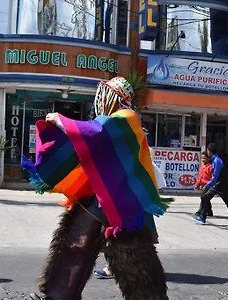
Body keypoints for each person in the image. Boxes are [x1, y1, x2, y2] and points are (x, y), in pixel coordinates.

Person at [26, 76, 172, 300]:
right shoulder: (115, 120)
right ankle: (57, 296)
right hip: (97, 199)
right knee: (74, 246)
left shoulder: (128, 117)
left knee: (134, 264)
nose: (99, 102)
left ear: (113, 97)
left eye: (102, 96)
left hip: (121, 206)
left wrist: (61, 120)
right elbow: (89, 144)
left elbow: (97, 132)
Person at [94, 146, 166, 279]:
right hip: (122, 208)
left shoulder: (143, 161)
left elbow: (154, 186)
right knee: (117, 239)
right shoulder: (122, 159)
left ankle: (118, 268)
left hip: (134, 211)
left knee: (131, 241)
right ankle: (115, 267)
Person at [192, 143, 228, 227]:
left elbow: (216, 175)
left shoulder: (217, 161)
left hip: (220, 184)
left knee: (206, 197)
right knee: (227, 202)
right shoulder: (214, 159)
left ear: (209, 151)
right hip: (220, 183)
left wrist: (208, 185)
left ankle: (203, 217)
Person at [194, 151, 214, 217]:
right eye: (202, 158)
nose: (203, 160)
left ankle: (200, 211)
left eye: (204, 158)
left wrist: (210, 184)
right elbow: (200, 177)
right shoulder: (202, 167)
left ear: (208, 158)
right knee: (206, 198)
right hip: (203, 186)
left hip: (208, 185)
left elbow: (212, 177)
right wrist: (197, 184)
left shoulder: (210, 167)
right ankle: (209, 211)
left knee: (203, 198)